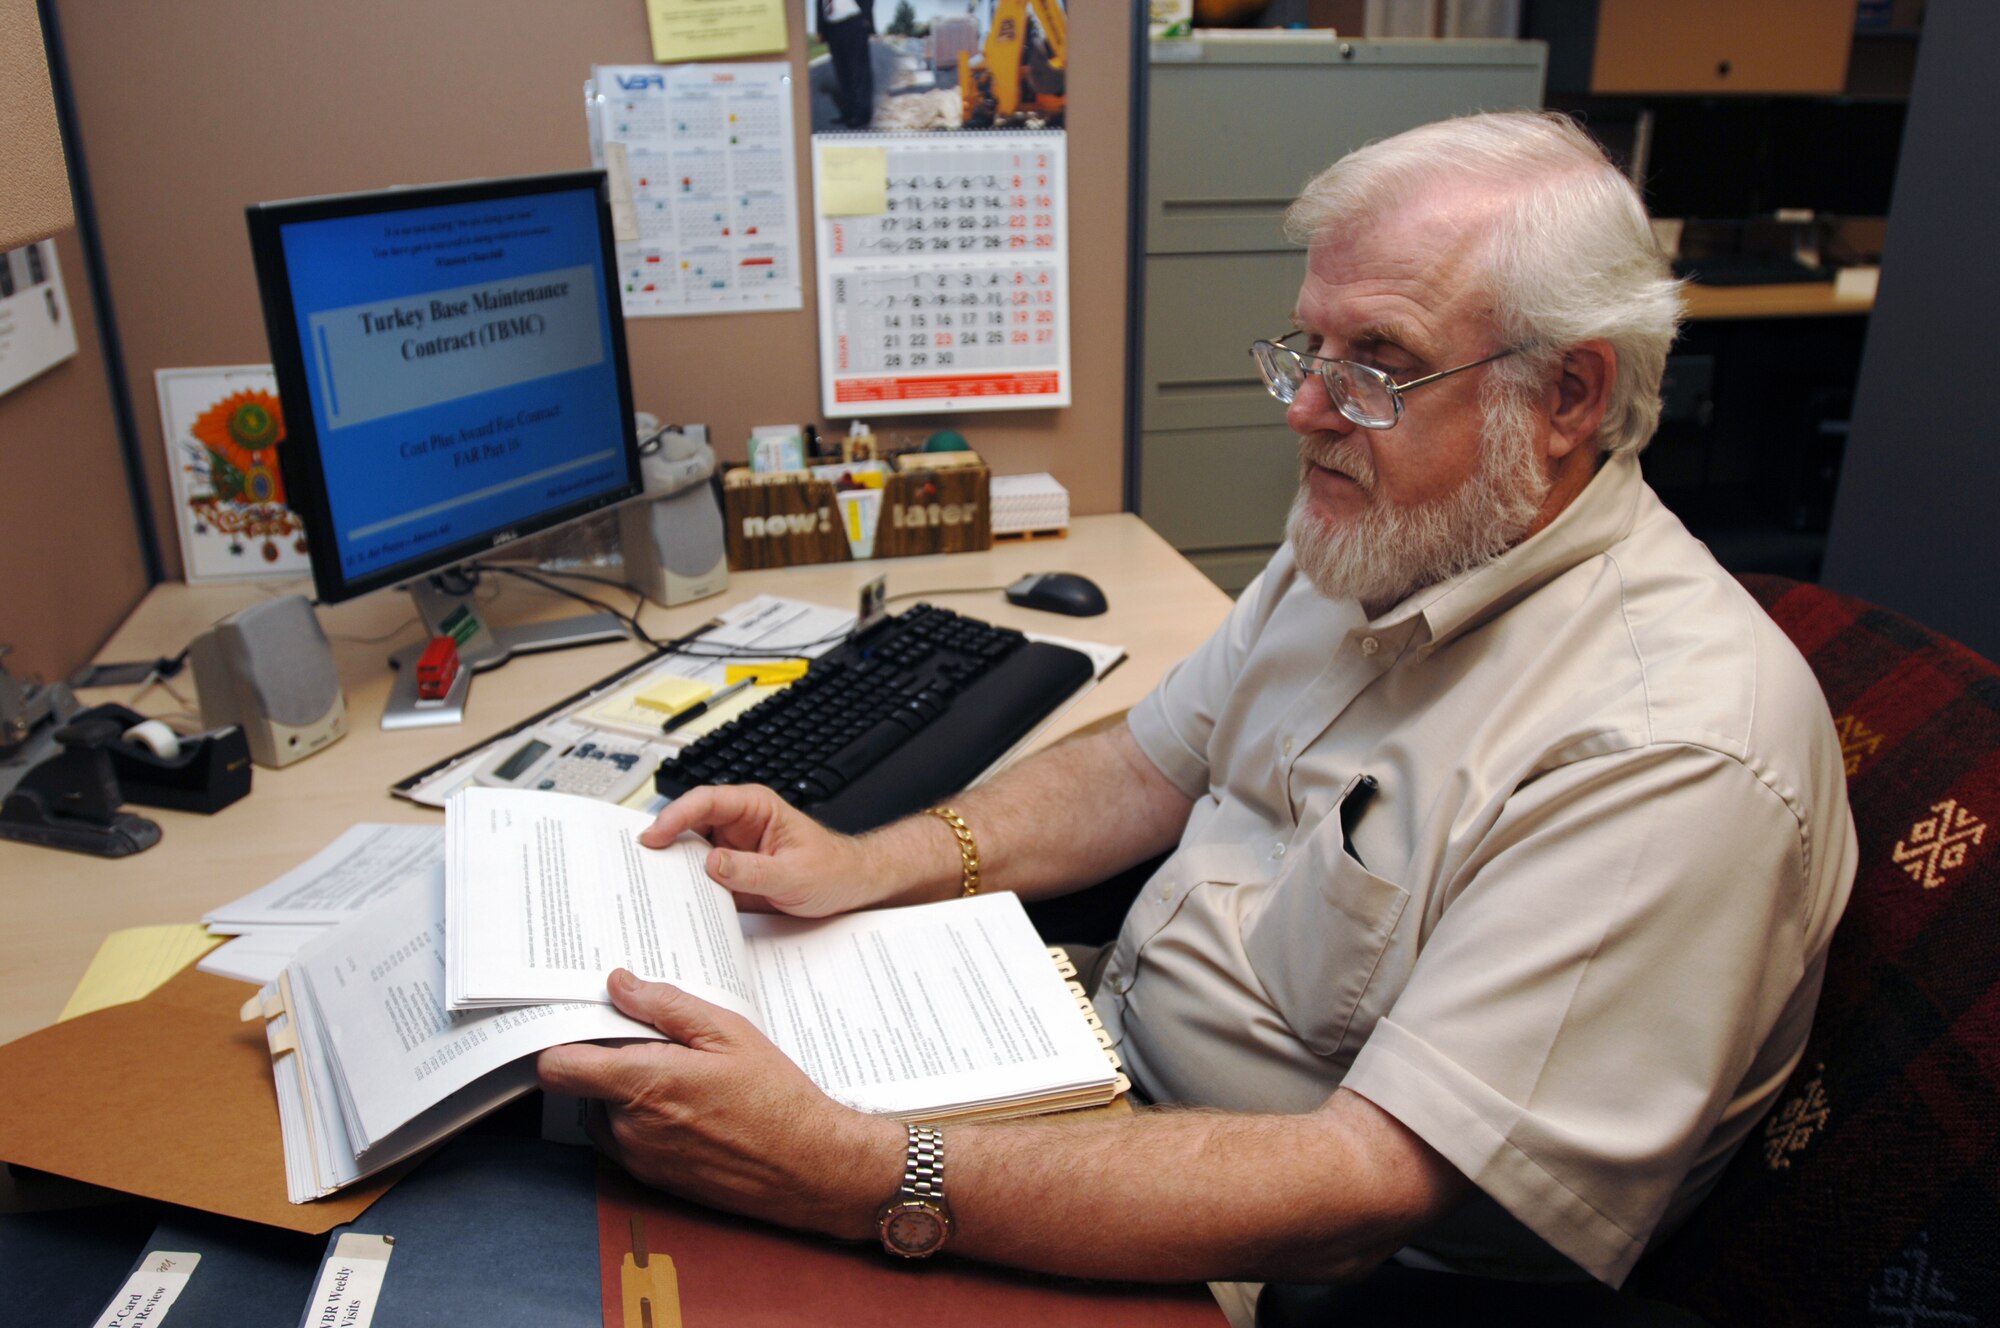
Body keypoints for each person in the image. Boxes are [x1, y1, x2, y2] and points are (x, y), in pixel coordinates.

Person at [538, 112, 1855, 1313]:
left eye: (1378, 363)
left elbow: (1361, 1190)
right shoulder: (1394, 529)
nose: (1306, 410)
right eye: (1310, 348)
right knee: (568, 1165)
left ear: (1567, 395)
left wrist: (853, 1172)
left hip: (1294, 1274)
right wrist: (867, 863)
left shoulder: (1670, 747)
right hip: (1085, 1077)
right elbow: (1147, 764)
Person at [819, 0, 876, 130]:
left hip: (853, 23)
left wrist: (865, 16)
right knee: (842, 72)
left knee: (858, 72)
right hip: (832, 27)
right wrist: (820, 29)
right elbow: (819, 5)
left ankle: (862, 115)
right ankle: (849, 113)